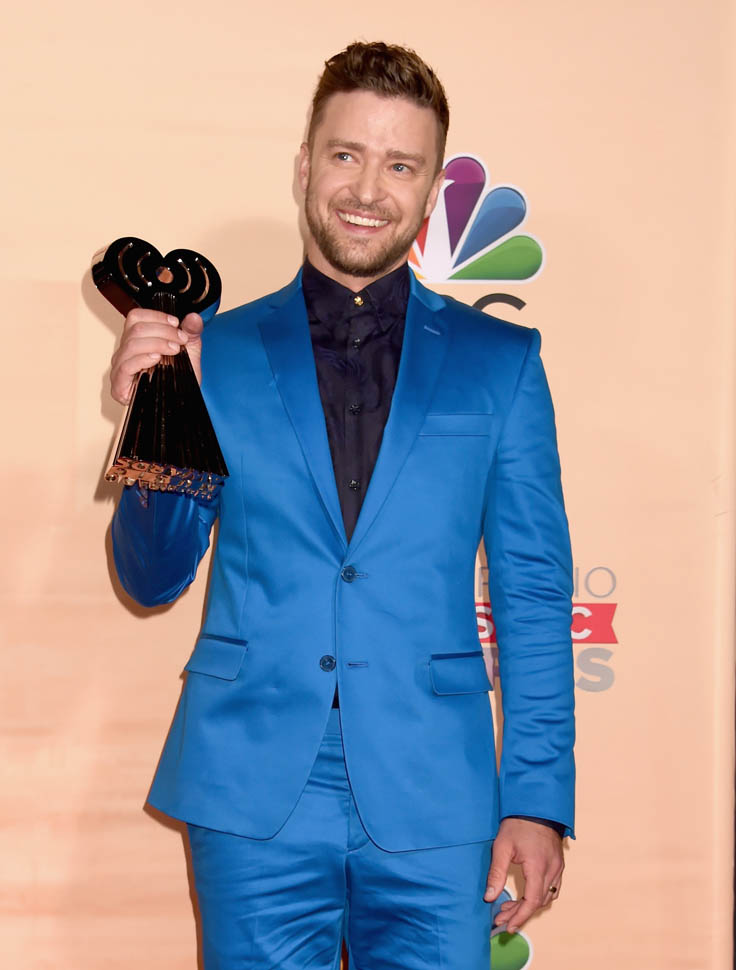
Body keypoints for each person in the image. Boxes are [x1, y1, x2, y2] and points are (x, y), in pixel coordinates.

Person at [109, 41, 575, 970]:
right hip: (251, 786)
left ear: (432, 189)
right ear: (304, 167)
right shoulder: (211, 353)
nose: (367, 188)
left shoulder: (502, 363)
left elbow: (531, 590)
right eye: (346, 154)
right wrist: (153, 422)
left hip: (437, 792)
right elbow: (151, 578)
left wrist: (536, 798)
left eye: (400, 164)